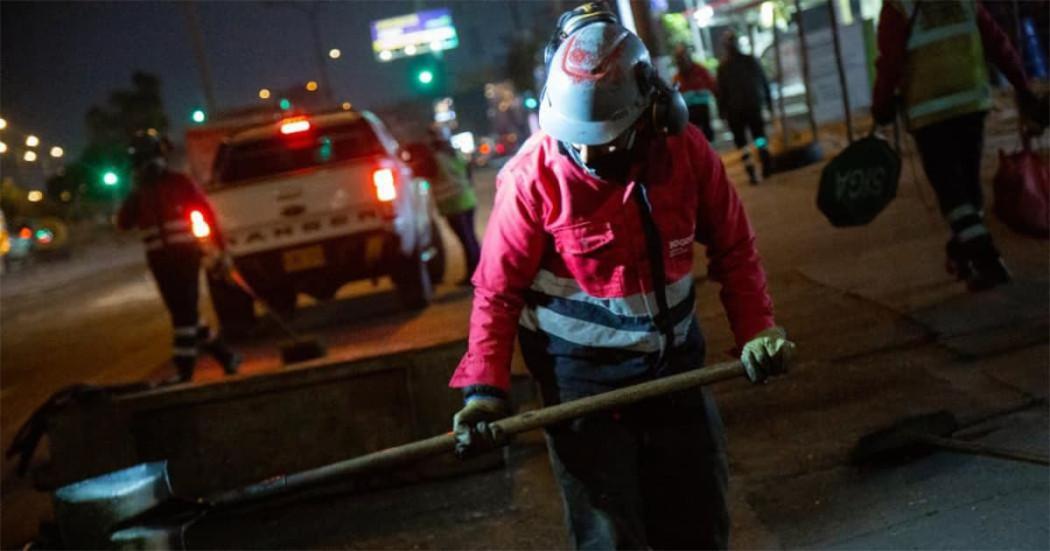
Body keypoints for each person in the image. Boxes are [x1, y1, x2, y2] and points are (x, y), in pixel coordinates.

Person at [448, 4, 795, 549]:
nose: (585, 153)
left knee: (698, 527)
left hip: (675, 369)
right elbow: (497, 292)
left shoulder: (685, 153)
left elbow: (733, 248)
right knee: (610, 538)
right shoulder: (530, 179)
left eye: (604, 139)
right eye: (573, 137)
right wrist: (484, 391)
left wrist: (759, 330)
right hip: (581, 387)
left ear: (652, 116)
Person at [871, 0, 1047, 291]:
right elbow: (996, 42)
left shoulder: (897, 8)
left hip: (930, 115)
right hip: (971, 106)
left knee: (953, 195)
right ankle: (963, 253)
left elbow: (889, 62)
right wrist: (1022, 87)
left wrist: (881, 107)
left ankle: (988, 259)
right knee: (967, 188)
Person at [117, 131, 241, 383]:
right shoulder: (139, 192)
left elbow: (206, 212)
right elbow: (123, 223)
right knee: (186, 313)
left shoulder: (179, 182)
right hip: (160, 261)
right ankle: (226, 356)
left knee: (183, 316)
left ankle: (184, 371)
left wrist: (220, 250)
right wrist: (134, 194)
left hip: (184, 257)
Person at [425, 128, 482, 284]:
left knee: (466, 240)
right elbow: (468, 172)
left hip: (453, 205)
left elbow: (427, 175)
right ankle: (481, 271)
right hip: (467, 200)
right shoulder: (456, 153)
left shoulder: (434, 159)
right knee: (471, 238)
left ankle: (475, 274)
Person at [716, 30, 774, 184]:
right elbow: (763, 82)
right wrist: (768, 103)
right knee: (759, 138)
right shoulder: (749, 61)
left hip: (736, 112)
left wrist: (722, 112)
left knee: (743, 144)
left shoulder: (724, 67)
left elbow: (721, 93)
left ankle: (753, 172)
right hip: (751, 107)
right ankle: (765, 164)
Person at [673, 43, 718, 142]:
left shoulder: (700, 70)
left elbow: (712, 85)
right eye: (679, 58)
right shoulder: (677, 77)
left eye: (683, 57)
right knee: (693, 135)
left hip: (702, 108)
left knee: (707, 133)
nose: (682, 60)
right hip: (688, 111)